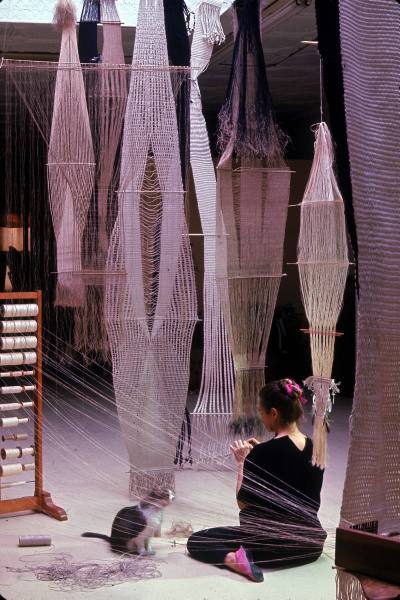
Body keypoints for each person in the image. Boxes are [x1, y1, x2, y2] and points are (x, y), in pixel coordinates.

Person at [187, 379, 327, 582]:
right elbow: (292, 474)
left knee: (198, 540)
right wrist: (259, 454)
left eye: (261, 412)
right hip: (311, 546)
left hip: (273, 548)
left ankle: (233, 559)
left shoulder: (262, 453)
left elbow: (243, 503)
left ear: (274, 413)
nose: (261, 418)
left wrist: (243, 462)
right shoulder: (316, 448)